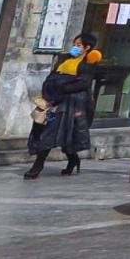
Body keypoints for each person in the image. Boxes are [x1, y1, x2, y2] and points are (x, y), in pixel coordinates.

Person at [25, 32, 98, 179]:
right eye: (74, 44)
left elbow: (84, 83)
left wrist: (63, 88)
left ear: (87, 47)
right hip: (52, 99)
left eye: (79, 45)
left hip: (69, 103)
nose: (75, 48)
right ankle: (73, 159)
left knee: (52, 130)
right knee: (46, 127)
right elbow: (53, 75)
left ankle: (38, 165)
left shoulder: (87, 64)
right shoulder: (65, 59)